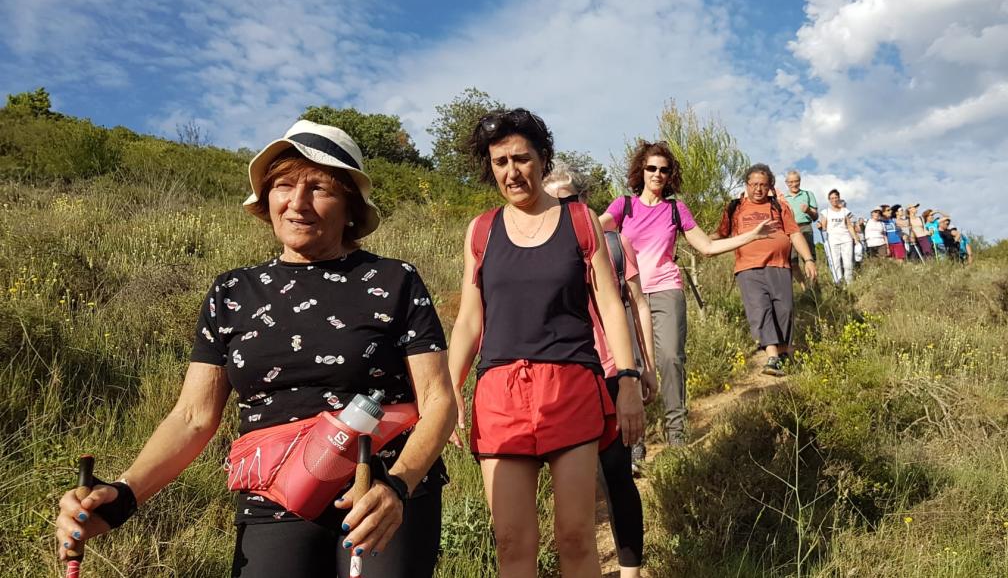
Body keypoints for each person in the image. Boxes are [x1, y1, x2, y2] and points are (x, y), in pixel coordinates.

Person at [54, 120, 458, 577]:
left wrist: (399, 486)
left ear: (349, 206)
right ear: (267, 201)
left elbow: (438, 400)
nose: (298, 202)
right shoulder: (233, 292)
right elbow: (193, 416)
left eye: (320, 188)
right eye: (283, 185)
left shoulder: (394, 280)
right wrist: (124, 495)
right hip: (274, 494)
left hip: (379, 488)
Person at [448, 108, 643, 578]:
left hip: (571, 384)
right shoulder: (480, 230)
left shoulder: (579, 220)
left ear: (542, 159)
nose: (511, 172)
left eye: (521, 158)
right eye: (500, 162)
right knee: (512, 542)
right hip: (499, 393)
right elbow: (470, 317)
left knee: (575, 538)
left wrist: (630, 379)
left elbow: (611, 304)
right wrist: (450, 389)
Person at [598, 140, 769, 447]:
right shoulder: (623, 206)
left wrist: (750, 235)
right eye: (651, 168)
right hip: (627, 295)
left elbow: (707, 247)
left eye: (664, 170)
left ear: (670, 175)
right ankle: (635, 444)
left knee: (670, 359)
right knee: (632, 365)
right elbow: (593, 230)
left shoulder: (676, 209)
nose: (657, 174)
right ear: (641, 170)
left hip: (666, 290)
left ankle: (676, 433)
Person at [545, 168, 657, 578]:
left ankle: (630, 572)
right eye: (553, 200)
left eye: (569, 200)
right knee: (572, 491)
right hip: (561, 377)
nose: (562, 208)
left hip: (610, 370)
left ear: (582, 200)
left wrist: (645, 367)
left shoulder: (612, 243)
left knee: (616, 477)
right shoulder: (531, 247)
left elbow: (639, 305)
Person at [718, 164, 817, 376]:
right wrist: (696, 241)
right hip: (748, 267)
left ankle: (783, 353)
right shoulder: (735, 207)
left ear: (770, 186)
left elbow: (794, 234)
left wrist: (808, 259)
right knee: (759, 308)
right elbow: (721, 234)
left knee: (785, 310)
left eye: (763, 185)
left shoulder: (779, 207)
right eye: (754, 184)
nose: (758, 189)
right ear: (746, 185)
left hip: (779, 265)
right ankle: (771, 356)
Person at [781, 170, 820, 287]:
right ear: (787, 183)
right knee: (792, 262)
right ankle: (805, 288)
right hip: (789, 231)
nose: (794, 184)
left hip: (805, 228)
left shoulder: (808, 194)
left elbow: (815, 216)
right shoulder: (782, 198)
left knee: (809, 260)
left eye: (796, 181)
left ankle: (815, 289)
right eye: (791, 182)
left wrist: (808, 210)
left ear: (800, 181)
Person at [818, 189, 859, 285]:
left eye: (836, 197)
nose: (834, 200)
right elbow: (823, 226)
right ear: (829, 200)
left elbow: (849, 225)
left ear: (839, 198)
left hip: (846, 239)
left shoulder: (845, 211)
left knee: (848, 262)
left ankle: (849, 283)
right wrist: (820, 226)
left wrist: (855, 238)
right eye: (832, 198)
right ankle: (838, 283)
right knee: (835, 262)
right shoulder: (826, 212)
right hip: (832, 240)